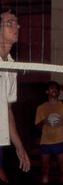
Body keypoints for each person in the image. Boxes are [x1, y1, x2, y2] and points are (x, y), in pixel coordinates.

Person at [0, 9, 31, 179]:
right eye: (10, 23)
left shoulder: (11, 66)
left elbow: (7, 109)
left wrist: (19, 146)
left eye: (17, 22)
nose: (17, 26)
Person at [35, 80, 63, 184]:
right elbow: (37, 127)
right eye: (52, 88)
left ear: (59, 93)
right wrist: (43, 122)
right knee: (45, 171)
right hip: (45, 142)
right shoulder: (41, 108)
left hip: (60, 141)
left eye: (56, 89)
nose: (54, 90)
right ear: (47, 91)